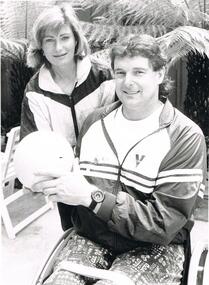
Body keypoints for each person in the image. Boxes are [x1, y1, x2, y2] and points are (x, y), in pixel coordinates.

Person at [31, 34, 207, 285]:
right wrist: (52, 184)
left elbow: (164, 222)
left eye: (138, 72)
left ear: (159, 74)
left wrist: (91, 197)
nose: (128, 82)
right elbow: (74, 187)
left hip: (154, 247)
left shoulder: (184, 136)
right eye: (121, 72)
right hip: (92, 237)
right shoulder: (94, 122)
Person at [20, 3, 115, 146]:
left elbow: (121, 127)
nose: (58, 48)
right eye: (49, 40)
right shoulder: (35, 92)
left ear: (76, 40)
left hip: (101, 162)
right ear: (41, 47)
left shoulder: (103, 76)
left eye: (65, 38)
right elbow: (36, 147)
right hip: (56, 165)